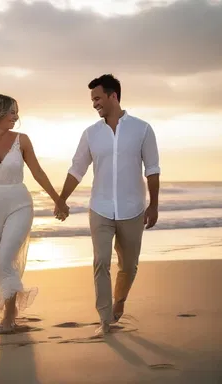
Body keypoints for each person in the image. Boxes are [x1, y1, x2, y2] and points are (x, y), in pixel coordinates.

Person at [55, 74, 160, 336]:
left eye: (97, 98)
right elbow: (77, 169)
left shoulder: (142, 129)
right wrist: (61, 199)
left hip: (133, 208)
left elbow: (153, 170)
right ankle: (104, 319)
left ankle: (119, 302)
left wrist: (154, 205)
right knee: (101, 261)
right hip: (100, 208)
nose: (94, 104)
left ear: (113, 96)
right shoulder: (90, 134)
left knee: (128, 266)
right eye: (92, 99)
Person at [0, 94, 69, 334]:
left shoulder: (22, 141)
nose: (16, 117)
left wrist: (58, 200)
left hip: (19, 205)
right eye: (12, 112)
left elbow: (37, 172)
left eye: (17, 112)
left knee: (5, 259)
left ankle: (9, 316)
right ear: (0, 112)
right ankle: (11, 306)